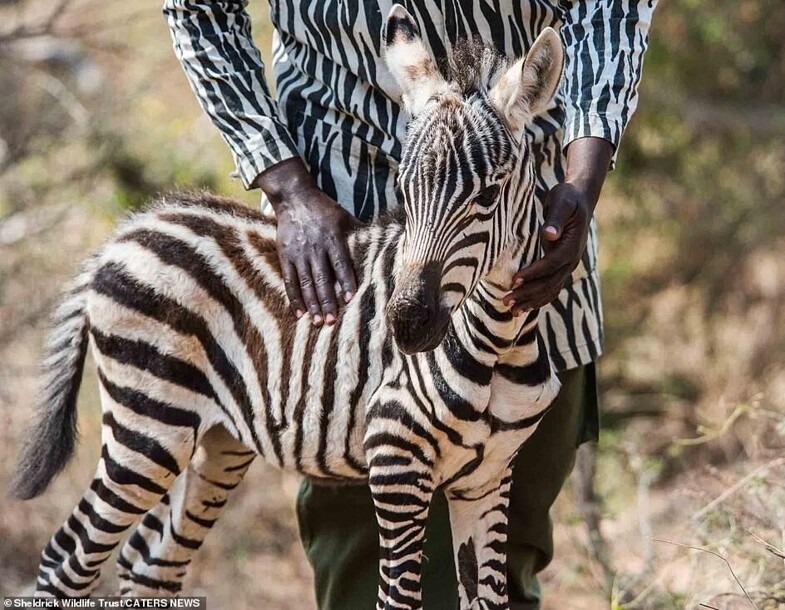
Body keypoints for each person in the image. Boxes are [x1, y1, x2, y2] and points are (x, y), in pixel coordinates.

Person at [163, 1, 656, 607]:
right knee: (363, 573)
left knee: (500, 572)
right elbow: (199, 10)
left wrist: (581, 183)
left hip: (529, 231)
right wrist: (285, 183)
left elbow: (610, 10)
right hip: (340, 234)